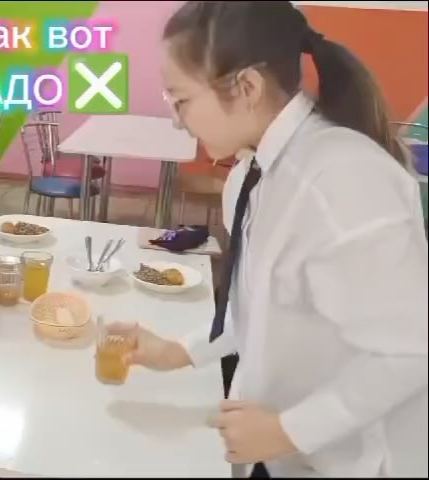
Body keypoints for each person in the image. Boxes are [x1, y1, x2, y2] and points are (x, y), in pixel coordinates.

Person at [109, 1, 428, 478]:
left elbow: (410, 350)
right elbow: (260, 305)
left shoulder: (344, 179)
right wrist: (179, 351)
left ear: (248, 87)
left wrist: (289, 431)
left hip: (351, 463)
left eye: (181, 100)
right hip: (280, 452)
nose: (177, 119)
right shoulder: (249, 176)